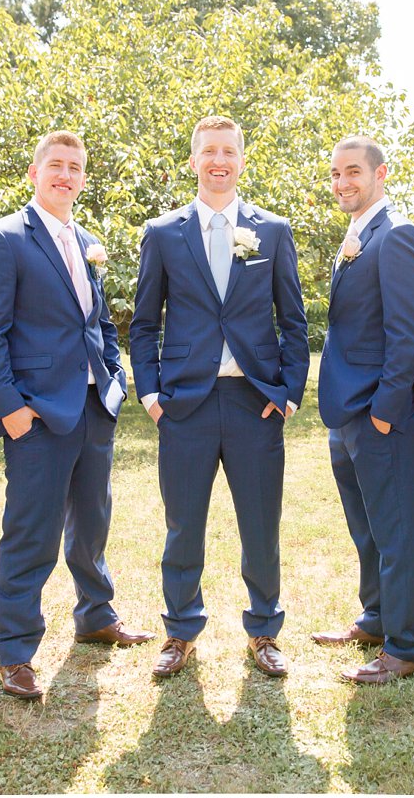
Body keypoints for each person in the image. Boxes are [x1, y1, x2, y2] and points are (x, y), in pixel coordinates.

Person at [0, 130, 152, 700]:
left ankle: (96, 614)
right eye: (56, 165)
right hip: (38, 415)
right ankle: (16, 651)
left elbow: (95, 323)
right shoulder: (2, 239)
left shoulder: (89, 240)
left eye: (75, 167)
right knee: (31, 531)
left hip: (94, 406)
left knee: (93, 520)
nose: (65, 175)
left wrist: (114, 381)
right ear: (34, 171)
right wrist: (12, 411)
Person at [130, 115, 309, 678]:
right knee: (184, 523)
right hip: (185, 405)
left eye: (228, 151)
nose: (218, 161)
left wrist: (289, 394)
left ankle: (263, 630)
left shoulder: (273, 231)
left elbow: (294, 321)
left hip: (255, 403)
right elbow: (142, 323)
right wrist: (152, 396)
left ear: (241, 160)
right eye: (209, 151)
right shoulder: (162, 232)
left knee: (261, 523)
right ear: (193, 161)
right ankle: (180, 630)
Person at [311, 136, 414, 684]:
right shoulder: (356, 234)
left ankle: (407, 644)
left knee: (396, 528)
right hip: (347, 411)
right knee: (368, 528)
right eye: (336, 174)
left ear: (380, 174)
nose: (342, 183)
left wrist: (384, 410)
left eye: (353, 172)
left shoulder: (398, 235)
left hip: (381, 415)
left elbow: (408, 333)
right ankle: (377, 617)